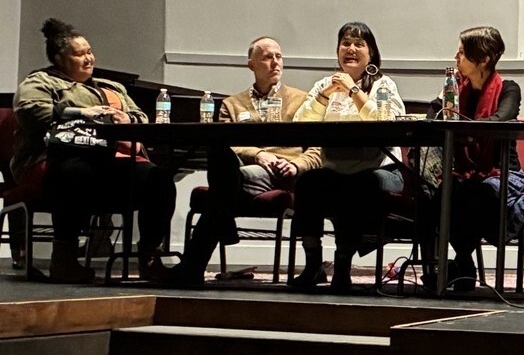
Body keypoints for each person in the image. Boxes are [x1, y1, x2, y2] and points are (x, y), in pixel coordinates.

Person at [12, 18, 175, 283]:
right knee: (78, 172)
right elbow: (31, 111)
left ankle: (149, 258)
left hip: (108, 162)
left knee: (159, 179)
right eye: (79, 54)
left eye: (89, 52)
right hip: (54, 161)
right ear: (59, 59)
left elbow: (141, 117)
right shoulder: (40, 82)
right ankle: (64, 259)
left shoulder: (113, 88)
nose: (89, 58)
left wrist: (128, 120)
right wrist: (82, 112)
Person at [167, 36, 322, 283]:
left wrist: (295, 165)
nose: (275, 63)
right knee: (220, 152)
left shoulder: (303, 101)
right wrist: (259, 154)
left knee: (223, 187)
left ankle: (192, 265)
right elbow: (232, 145)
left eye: (279, 57)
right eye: (268, 57)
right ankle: (200, 254)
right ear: (251, 65)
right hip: (246, 173)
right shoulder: (232, 104)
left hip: (284, 175)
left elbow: (317, 149)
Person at [289, 22, 406, 292]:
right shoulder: (325, 85)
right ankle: (313, 264)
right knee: (308, 183)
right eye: (345, 43)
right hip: (336, 170)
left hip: (382, 171)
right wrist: (324, 96)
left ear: (372, 53)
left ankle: (342, 267)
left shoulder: (382, 84)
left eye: (358, 44)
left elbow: (386, 121)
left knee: (355, 186)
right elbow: (300, 123)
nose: (350, 49)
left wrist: (354, 90)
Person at [425, 26, 524, 292]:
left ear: (483, 59)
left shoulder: (508, 89)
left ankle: (461, 265)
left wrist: (460, 123)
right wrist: (445, 99)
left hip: (502, 173)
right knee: (443, 193)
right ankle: (460, 262)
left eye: (462, 53)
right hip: (465, 174)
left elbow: (499, 120)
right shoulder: (455, 90)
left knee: (478, 193)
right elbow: (432, 117)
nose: (455, 57)